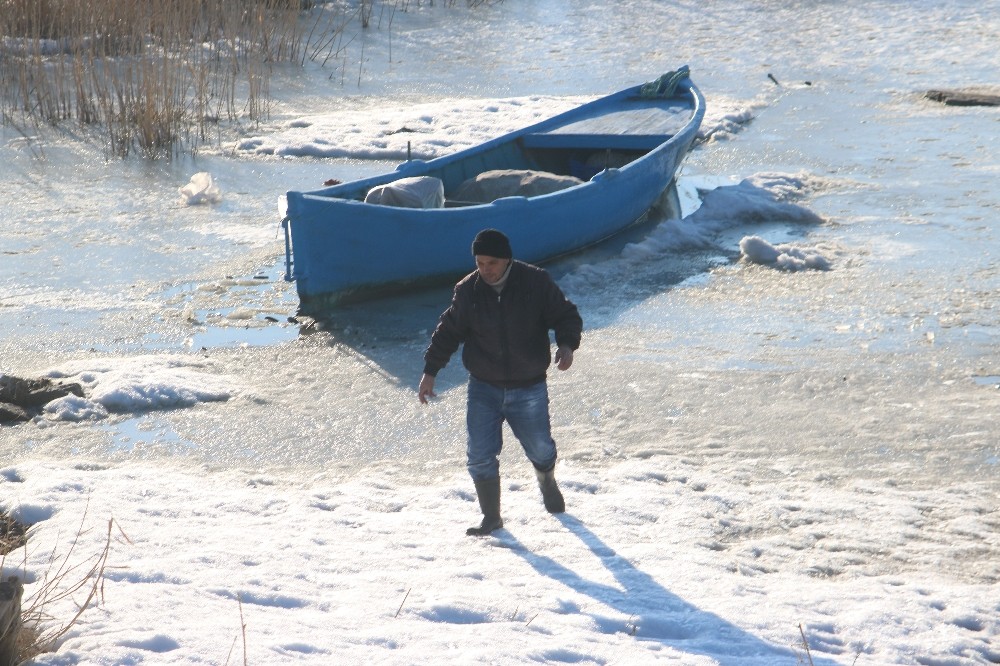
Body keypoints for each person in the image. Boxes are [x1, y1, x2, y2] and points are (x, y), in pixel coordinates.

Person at [418, 228, 583, 536]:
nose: (485, 270)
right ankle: (491, 517)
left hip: (528, 385)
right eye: (480, 263)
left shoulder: (535, 282)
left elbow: (566, 315)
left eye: (491, 263)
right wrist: (430, 372)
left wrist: (566, 345)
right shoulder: (468, 291)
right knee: (479, 454)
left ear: (507, 260)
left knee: (540, 447)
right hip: (484, 386)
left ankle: (546, 478)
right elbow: (448, 332)